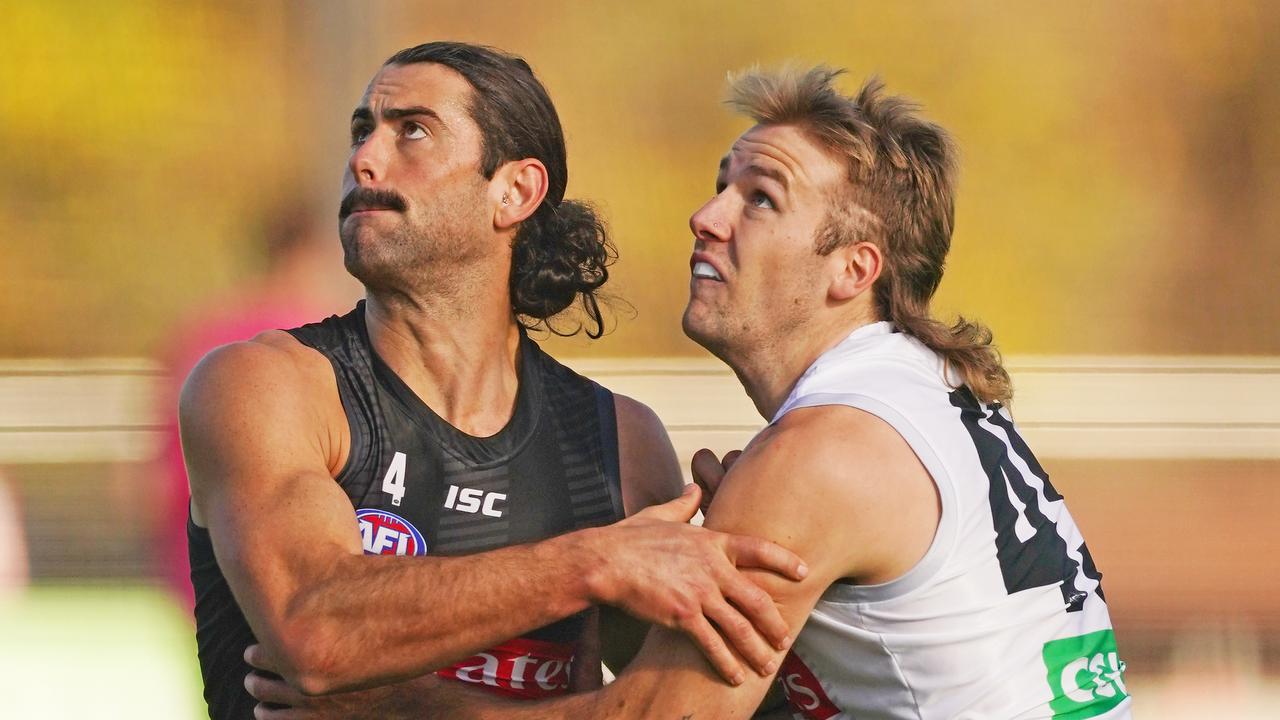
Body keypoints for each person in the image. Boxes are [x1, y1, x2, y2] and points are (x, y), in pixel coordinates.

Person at [247, 65, 1132, 719]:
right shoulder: (915, 400)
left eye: (761, 199)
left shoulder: (823, 453)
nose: (706, 217)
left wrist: (405, 706)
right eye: (720, 187)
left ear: (852, 269)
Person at [179, 42, 806, 719]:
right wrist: (591, 563)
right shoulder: (265, 385)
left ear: (515, 191)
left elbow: (681, 706)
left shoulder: (616, 442)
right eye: (363, 130)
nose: (365, 158)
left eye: (411, 131)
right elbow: (316, 629)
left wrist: (772, 527)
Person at [154, 201, 359, 612]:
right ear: (309, 253)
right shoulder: (321, 335)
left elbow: (156, 466)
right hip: (293, 539)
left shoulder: (205, 329)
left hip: (196, 529)